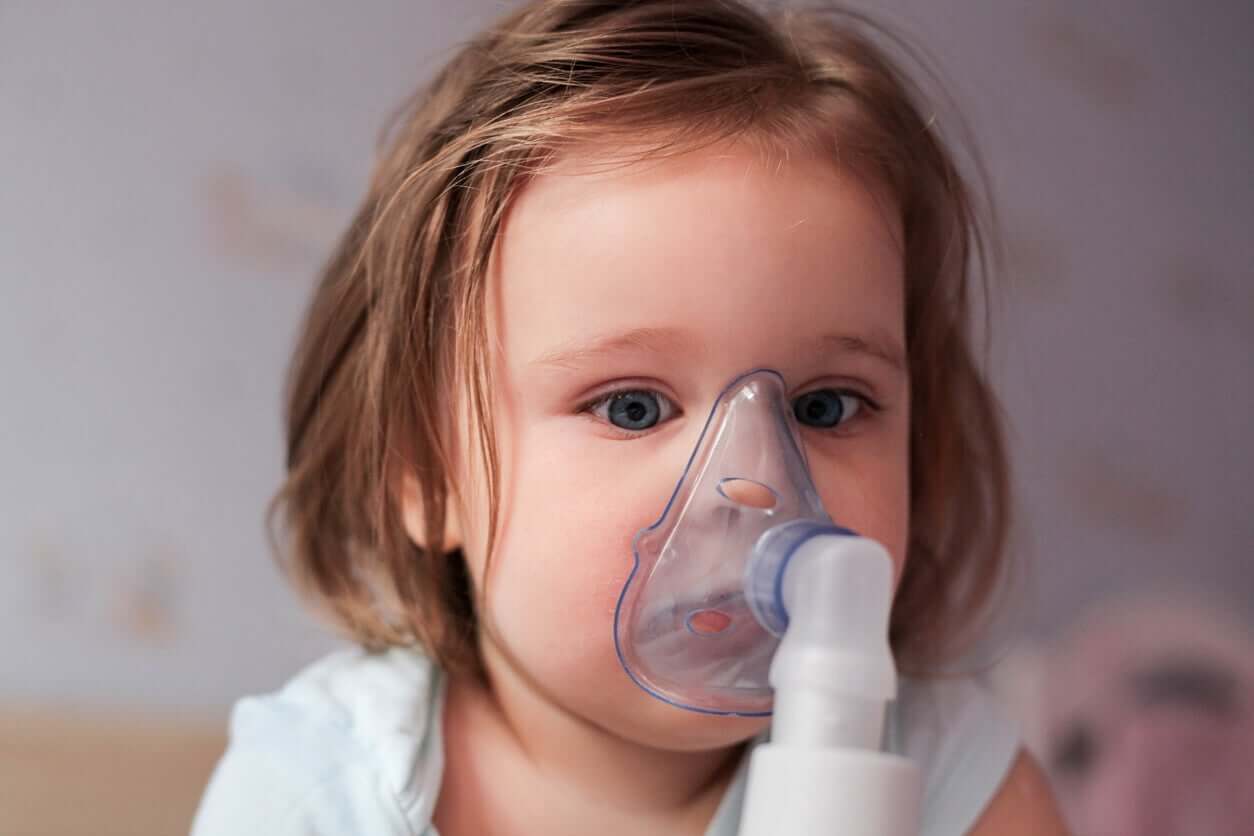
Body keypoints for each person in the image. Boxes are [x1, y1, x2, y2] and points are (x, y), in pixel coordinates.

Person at [192, 1, 1069, 833]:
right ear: (424, 467)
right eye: (634, 406)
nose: (757, 481)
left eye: (824, 406)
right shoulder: (322, 792)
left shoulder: (959, 788)